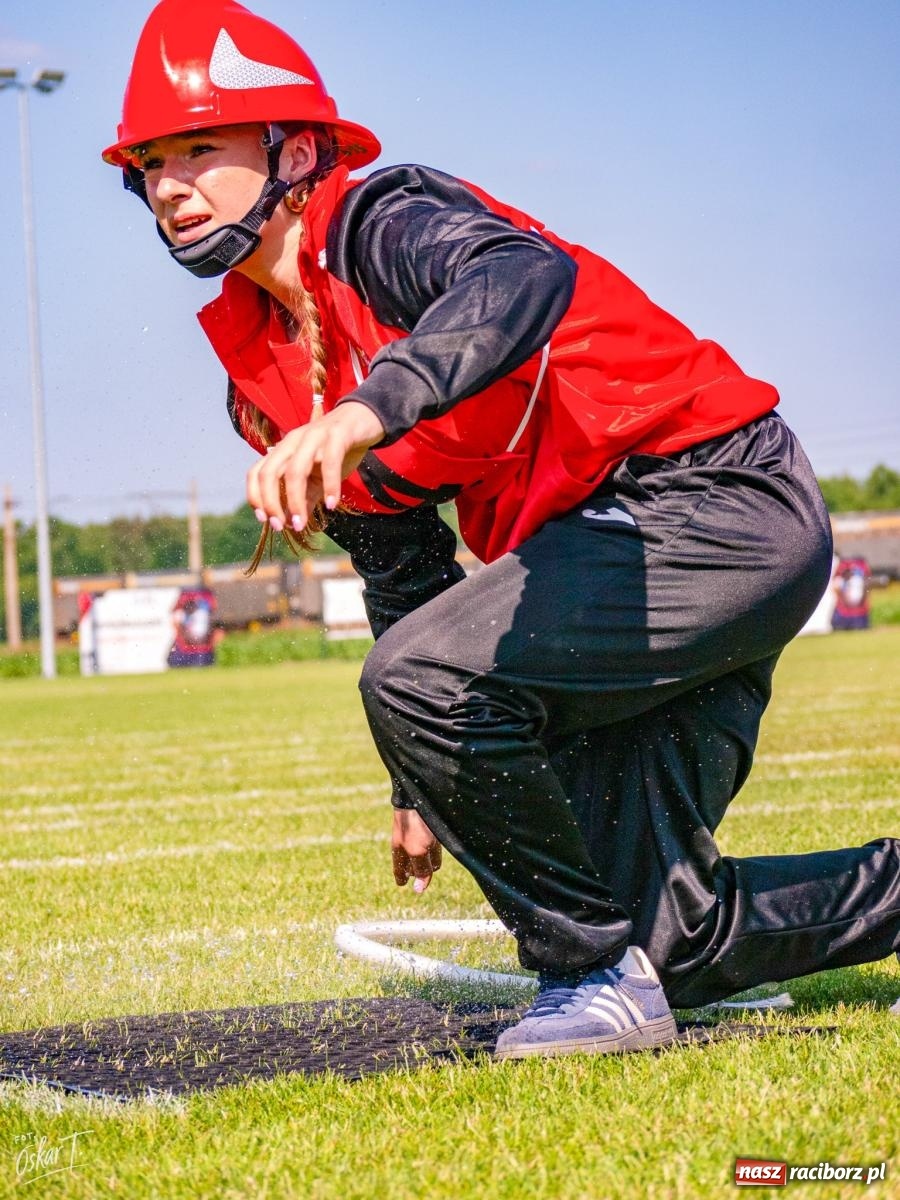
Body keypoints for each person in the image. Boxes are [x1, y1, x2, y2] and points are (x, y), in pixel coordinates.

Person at [104, 0, 900, 1060]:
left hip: (718, 503)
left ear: (294, 149)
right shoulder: (261, 369)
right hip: (610, 560)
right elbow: (400, 558)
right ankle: (645, 963)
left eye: (200, 148)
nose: (169, 184)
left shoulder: (379, 220)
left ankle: (586, 981)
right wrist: (424, 776)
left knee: (420, 682)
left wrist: (365, 408)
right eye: (150, 163)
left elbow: (521, 274)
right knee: (674, 936)